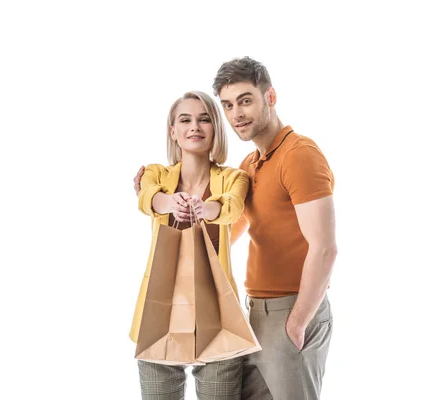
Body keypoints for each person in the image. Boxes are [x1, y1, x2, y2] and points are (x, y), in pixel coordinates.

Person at [134, 57, 337, 400]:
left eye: (246, 100)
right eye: (228, 105)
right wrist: (161, 203)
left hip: (290, 310)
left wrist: (299, 321)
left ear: (270, 98)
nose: (237, 113)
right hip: (253, 312)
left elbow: (325, 248)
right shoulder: (252, 164)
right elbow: (228, 232)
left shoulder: (299, 155)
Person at [130, 90, 249, 400]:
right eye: (185, 120)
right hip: (160, 316)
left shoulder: (235, 177)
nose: (194, 126)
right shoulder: (155, 173)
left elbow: (230, 206)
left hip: (219, 318)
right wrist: (171, 202)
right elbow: (148, 197)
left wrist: (202, 208)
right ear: (173, 131)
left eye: (204, 119)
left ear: (215, 129)